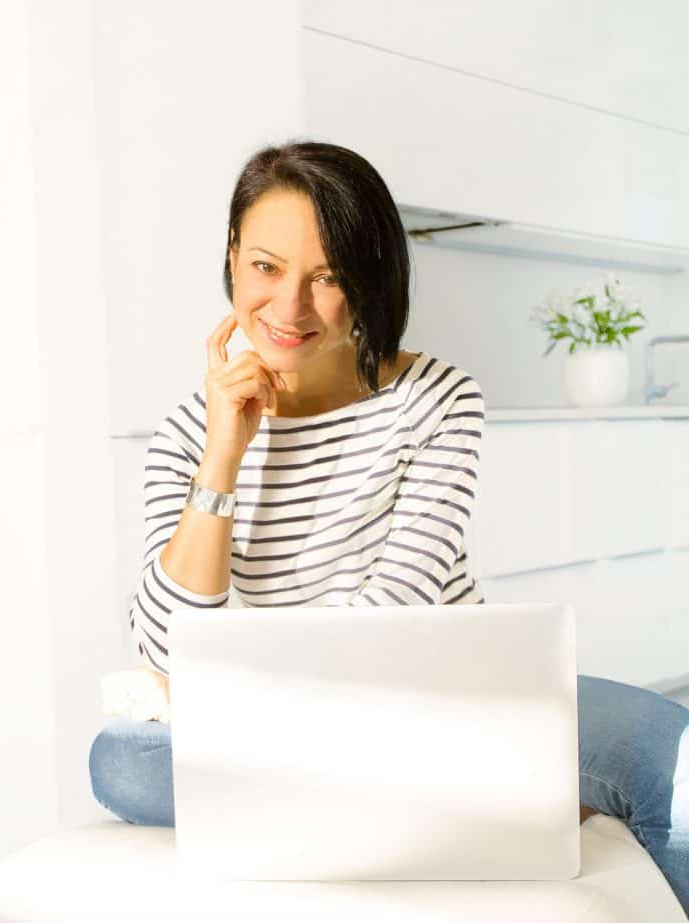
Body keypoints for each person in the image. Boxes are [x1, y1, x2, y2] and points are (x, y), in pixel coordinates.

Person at [89, 140, 689, 915]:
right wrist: (222, 457)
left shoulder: (437, 396)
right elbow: (165, 646)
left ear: (369, 279)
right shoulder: (189, 436)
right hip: (286, 725)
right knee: (124, 758)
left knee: (670, 754)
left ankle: (386, 800)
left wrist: (285, 722)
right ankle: (450, 800)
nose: (290, 308)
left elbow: (397, 605)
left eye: (328, 277)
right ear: (233, 256)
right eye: (266, 267)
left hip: (449, 702)